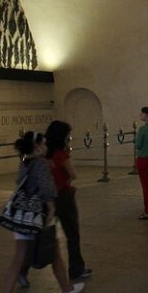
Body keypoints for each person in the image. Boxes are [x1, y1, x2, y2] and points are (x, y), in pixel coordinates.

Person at [0, 131, 84, 293]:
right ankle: (66, 289)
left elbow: (19, 182)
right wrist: (51, 208)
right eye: (44, 144)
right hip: (38, 215)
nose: (46, 147)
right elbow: (46, 188)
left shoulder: (25, 163)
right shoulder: (40, 164)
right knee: (54, 250)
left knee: (20, 257)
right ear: (37, 147)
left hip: (22, 215)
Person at [45, 120, 92, 281]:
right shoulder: (60, 154)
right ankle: (76, 269)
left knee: (39, 235)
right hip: (64, 196)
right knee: (72, 234)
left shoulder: (45, 154)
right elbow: (73, 174)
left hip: (49, 197)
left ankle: (23, 270)